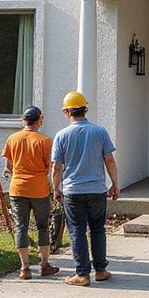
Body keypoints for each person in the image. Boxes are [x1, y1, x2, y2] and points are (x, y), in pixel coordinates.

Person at [52, 91, 119, 287]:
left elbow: (56, 167)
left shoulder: (62, 135)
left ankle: (82, 274)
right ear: (85, 109)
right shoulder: (99, 132)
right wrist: (115, 184)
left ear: (66, 112)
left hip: (73, 191)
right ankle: (100, 270)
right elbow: (109, 160)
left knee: (77, 230)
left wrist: (56, 188)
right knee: (98, 229)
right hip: (97, 189)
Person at [2, 105, 60, 280]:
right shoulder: (44, 141)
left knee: (21, 226)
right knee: (43, 226)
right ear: (39, 119)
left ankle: (24, 267)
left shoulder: (12, 139)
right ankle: (44, 265)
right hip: (39, 188)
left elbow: (7, 167)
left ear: (23, 120)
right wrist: (54, 187)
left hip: (17, 188)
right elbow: (52, 166)